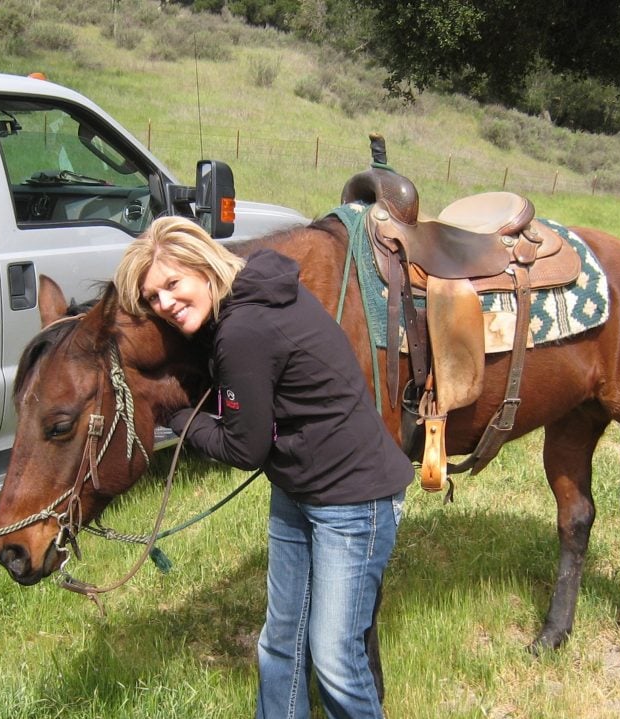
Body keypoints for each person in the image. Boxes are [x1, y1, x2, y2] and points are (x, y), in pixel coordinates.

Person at [113, 216, 414, 719]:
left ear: (204, 268)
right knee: (281, 639)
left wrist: (180, 414)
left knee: (336, 657)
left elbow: (244, 448)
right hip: (301, 485)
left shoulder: (243, 330)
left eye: (171, 284)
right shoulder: (258, 295)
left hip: (355, 500)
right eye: (151, 298)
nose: (164, 304)